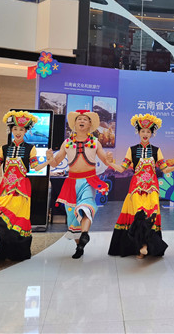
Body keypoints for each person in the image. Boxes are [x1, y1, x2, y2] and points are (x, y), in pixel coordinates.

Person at [0, 111, 49, 261]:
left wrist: (48, 161)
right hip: (6, 188)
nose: (18, 132)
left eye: (21, 129)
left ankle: (9, 247)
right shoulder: (4, 148)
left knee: (15, 219)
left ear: (26, 131)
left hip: (22, 189)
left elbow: (36, 167)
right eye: (15, 129)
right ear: (11, 130)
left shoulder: (30, 148)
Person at [107, 114, 174, 259]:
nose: (145, 134)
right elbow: (122, 169)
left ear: (152, 134)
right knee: (139, 214)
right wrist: (110, 163)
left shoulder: (156, 150)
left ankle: (148, 246)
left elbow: (165, 169)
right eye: (142, 131)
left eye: (148, 131)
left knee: (152, 214)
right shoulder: (131, 149)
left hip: (153, 188)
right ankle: (141, 246)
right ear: (138, 132)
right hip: (136, 187)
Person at [47, 110, 111, 259]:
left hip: (88, 180)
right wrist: (50, 158)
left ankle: (85, 234)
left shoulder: (95, 143)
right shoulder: (67, 143)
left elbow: (105, 160)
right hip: (71, 182)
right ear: (74, 124)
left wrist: (108, 158)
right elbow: (55, 163)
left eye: (85, 119)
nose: (81, 121)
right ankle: (79, 246)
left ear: (90, 124)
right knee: (72, 216)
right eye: (79, 119)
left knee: (85, 207)